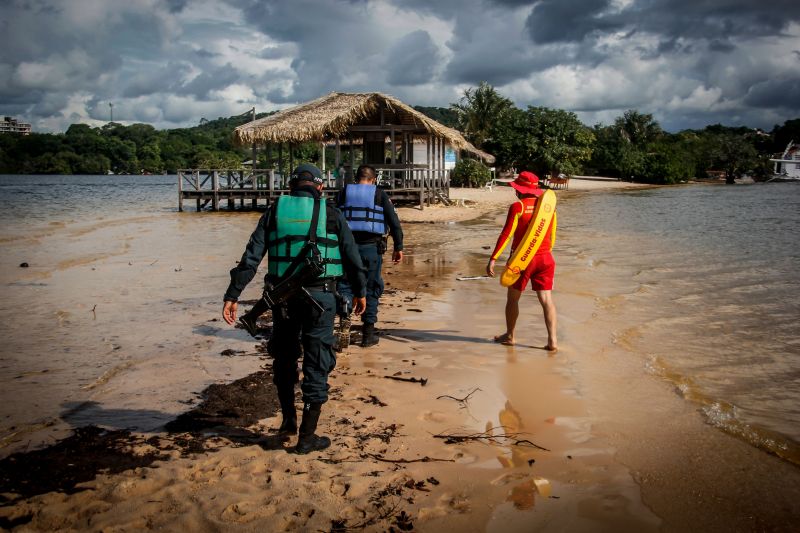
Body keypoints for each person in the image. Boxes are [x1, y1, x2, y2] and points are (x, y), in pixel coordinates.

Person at [222, 163, 367, 454]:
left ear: (290, 187)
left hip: (282, 301)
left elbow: (251, 256)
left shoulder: (274, 212)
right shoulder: (332, 214)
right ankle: (307, 437)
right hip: (321, 299)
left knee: (285, 358)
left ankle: (288, 421)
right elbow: (352, 258)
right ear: (320, 187)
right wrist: (361, 292)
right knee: (317, 362)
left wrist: (233, 294)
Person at [486, 171, 558, 351]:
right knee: (546, 299)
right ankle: (552, 341)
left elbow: (506, 234)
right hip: (546, 258)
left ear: (519, 189)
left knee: (513, 299)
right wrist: (546, 252)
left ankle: (510, 336)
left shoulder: (517, 207)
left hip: (522, 259)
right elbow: (552, 235)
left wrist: (493, 258)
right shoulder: (549, 209)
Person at [336, 164, 404, 347]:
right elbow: (394, 224)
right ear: (373, 180)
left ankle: (344, 320)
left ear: (356, 178)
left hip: (346, 249)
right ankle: (368, 335)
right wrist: (399, 247)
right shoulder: (379, 195)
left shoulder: (343, 193)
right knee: (371, 288)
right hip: (371, 249)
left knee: (345, 286)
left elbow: (331, 218)